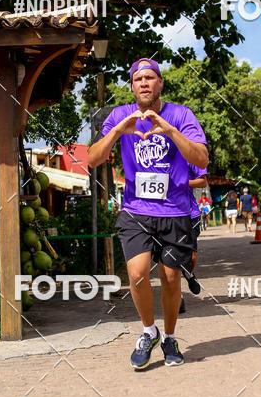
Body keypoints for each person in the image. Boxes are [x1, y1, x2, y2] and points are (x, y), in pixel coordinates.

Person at [88, 58, 208, 369]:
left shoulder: (181, 115)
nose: (144, 82)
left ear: (160, 83)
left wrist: (169, 130)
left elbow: (202, 160)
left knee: (170, 277)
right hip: (136, 210)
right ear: (132, 85)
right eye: (138, 78)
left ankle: (169, 336)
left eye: (150, 77)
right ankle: (148, 331)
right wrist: (117, 131)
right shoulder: (119, 115)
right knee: (138, 274)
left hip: (175, 210)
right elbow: (92, 158)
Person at [182, 166, 207, 312]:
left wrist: (180, 182)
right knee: (169, 261)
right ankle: (178, 298)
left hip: (190, 214)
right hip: (165, 214)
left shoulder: (189, 153)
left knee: (192, 257)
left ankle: (188, 274)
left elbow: (203, 181)